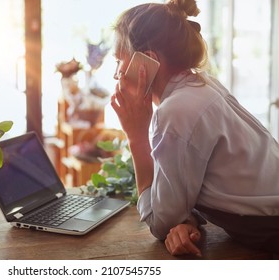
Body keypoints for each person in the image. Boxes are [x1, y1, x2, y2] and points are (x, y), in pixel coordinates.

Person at [110, 0, 279, 257]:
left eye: (119, 62)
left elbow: (160, 222)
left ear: (146, 62)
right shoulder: (203, 85)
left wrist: (136, 136)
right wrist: (185, 218)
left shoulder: (176, 111)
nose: (117, 75)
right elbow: (201, 182)